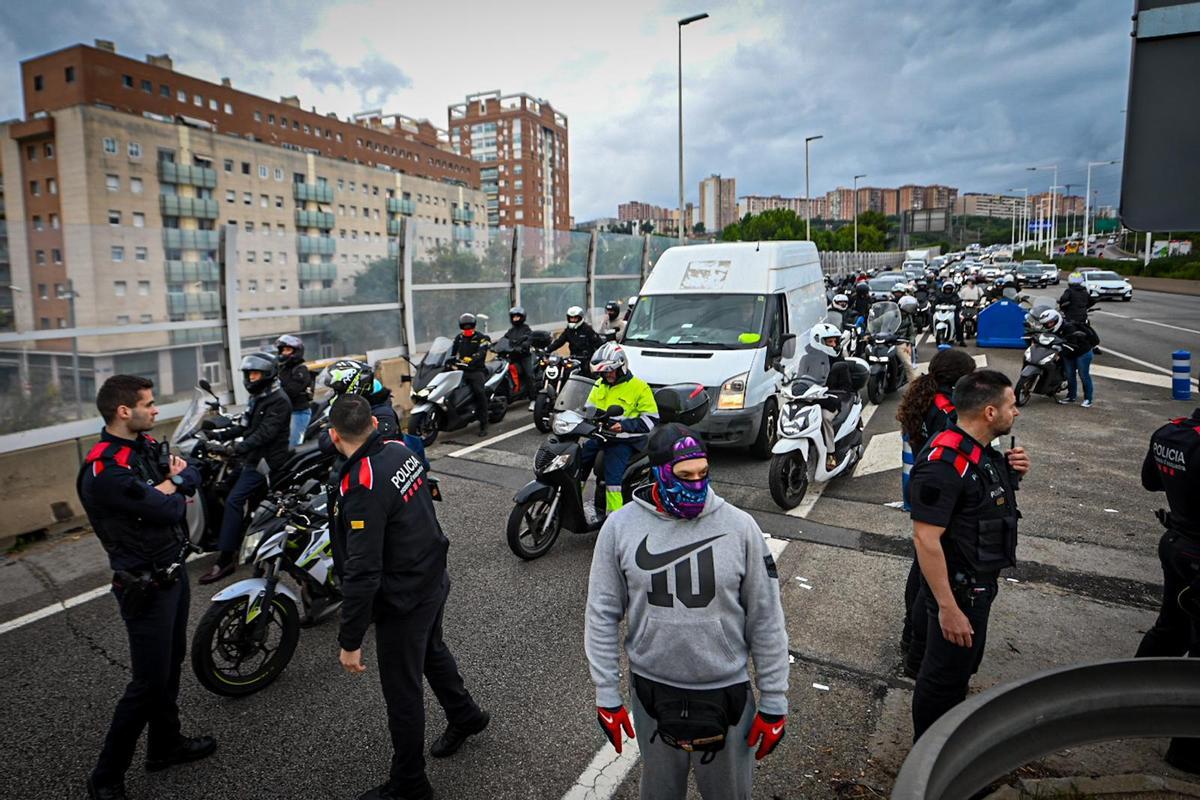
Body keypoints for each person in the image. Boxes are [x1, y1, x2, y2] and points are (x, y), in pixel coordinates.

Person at [584, 424, 789, 800]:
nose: (696, 484)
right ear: (659, 472)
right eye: (683, 476)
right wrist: (606, 693)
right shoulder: (620, 527)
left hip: (726, 692)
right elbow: (601, 612)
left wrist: (775, 700)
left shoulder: (741, 527)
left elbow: (766, 618)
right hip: (651, 691)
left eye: (703, 474)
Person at [329, 395, 489, 800]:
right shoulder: (399, 450)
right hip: (431, 576)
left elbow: (362, 570)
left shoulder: (362, 480)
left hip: (404, 594)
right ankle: (465, 714)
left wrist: (349, 641)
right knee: (432, 651)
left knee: (402, 692)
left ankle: (409, 784)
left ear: (334, 436)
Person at [77, 375, 216, 800]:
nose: (156, 411)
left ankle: (164, 745)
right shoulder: (106, 469)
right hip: (145, 586)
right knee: (146, 684)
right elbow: (170, 505)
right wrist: (173, 487)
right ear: (124, 411)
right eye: (149, 404)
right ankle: (106, 776)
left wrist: (172, 483)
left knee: (169, 667)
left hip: (172, 572)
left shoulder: (143, 448)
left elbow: (191, 473)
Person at [908, 370, 1030, 739]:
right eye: (1012, 405)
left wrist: (1012, 473)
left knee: (958, 671)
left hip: (975, 585)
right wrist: (948, 607)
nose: (1017, 413)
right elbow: (925, 539)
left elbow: (979, 502)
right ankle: (929, 761)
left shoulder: (979, 451)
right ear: (990, 412)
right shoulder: (945, 461)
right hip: (959, 592)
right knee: (942, 679)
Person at [893, 349, 979, 674]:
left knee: (921, 571)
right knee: (930, 580)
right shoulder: (949, 412)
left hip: (923, 490)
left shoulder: (922, 399)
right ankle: (916, 649)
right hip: (943, 499)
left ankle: (909, 639)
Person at [1135, 405, 1200, 774]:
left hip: (1177, 542)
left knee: (1170, 629)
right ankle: (1187, 753)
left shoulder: (1170, 432)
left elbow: (1151, 481)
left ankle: (1130, 702)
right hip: (1194, 548)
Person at [199, 352, 292, 584]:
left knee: (234, 500)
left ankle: (227, 558)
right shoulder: (259, 396)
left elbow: (264, 433)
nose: (251, 378)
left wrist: (233, 450)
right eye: (249, 374)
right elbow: (245, 426)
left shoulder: (279, 400)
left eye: (256, 374)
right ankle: (239, 536)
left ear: (268, 375)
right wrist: (216, 434)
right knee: (222, 488)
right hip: (251, 458)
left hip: (266, 462)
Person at [578, 342, 659, 516]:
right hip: (601, 435)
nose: (607, 375)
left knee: (612, 477)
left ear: (622, 366)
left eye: (610, 371)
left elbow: (651, 419)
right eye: (603, 372)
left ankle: (614, 517)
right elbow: (587, 409)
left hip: (625, 440)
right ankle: (572, 501)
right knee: (577, 462)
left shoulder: (639, 387)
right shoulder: (600, 384)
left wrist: (623, 426)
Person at [797, 322, 847, 472]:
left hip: (830, 400)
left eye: (834, 341)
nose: (833, 345)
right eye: (829, 341)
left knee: (825, 417)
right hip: (810, 397)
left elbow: (845, 386)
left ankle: (831, 453)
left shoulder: (837, 360)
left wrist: (835, 393)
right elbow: (800, 378)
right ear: (818, 341)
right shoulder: (806, 359)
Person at [1037, 309, 1095, 408]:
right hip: (1068, 354)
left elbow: (1073, 343)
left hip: (1082, 353)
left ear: (1056, 320)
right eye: (1047, 324)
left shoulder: (1069, 328)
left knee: (1083, 375)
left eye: (1051, 323)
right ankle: (1071, 396)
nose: (1049, 325)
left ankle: (1088, 399)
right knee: (1069, 375)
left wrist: (1061, 349)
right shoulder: (1051, 329)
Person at [449, 312, 492, 437]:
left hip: (476, 370)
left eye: (470, 326)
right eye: (464, 327)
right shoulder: (459, 338)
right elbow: (452, 352)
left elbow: (481, 353)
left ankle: (484, 423)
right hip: (461, 370)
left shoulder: (481, 338)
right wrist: (448, 360)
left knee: (479, 392)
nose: (467, 329)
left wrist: (472, 360)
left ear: (474, 326)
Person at [276, 334, 314, 447]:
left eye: (287, 350)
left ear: (296, 352)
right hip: (285, 412)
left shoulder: (301, 370)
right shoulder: (282, 369)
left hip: (298, 412)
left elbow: (290, 391)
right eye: (283, 350)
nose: (284, 353)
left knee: (293, 446)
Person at [1058, 271, 1102, 355]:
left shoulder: (1069, 291)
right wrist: (1085, 307)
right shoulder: (1084, 291)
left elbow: (1063, 300)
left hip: (1071, 316)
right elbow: (1092, 301)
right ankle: (1093, 346)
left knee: (1065, 328)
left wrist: (1063, 306)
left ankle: (1067, 345)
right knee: (1087, 328)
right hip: (1082, 316)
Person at [548, 304, 603, 370]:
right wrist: (547, 350)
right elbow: (559, 342)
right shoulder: (568, 330)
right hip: (573, 360)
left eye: (575, 318)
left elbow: (599, 343)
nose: (573, 320)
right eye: (571, 318)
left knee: (588, 375)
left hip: (587, 361)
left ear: (580, 318)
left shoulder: (587, 329)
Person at [503, 305, 535, 401]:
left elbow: (530, 338)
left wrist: (524, 345)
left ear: (522, 317)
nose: (515, 318)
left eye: (517, 316)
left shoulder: (526, 329)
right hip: (513, 356)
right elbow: (504, 339)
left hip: (524, 356)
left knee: (529, 375)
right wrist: (494, 345)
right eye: (514, 317)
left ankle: (533, 399)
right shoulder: (511, 330)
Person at [936, 281, 965, 346]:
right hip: (941, 312)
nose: (948, 291)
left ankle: (961, 340)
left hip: (952, 312)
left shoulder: (955, 295)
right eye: (946, 289)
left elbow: (959, 303)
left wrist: (958, 306)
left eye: (949, 289)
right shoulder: (940, 295)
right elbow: (935, 302)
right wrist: (934, 306)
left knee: (958, 323)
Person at [897, 295, 919, 373]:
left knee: (909, 365)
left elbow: (912, 333)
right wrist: (868, 333)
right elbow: (877, 323)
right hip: (886, 341)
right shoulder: (891, 314)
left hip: (900, 342)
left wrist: (910, 343)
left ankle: (914, 382)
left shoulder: (908, 318)